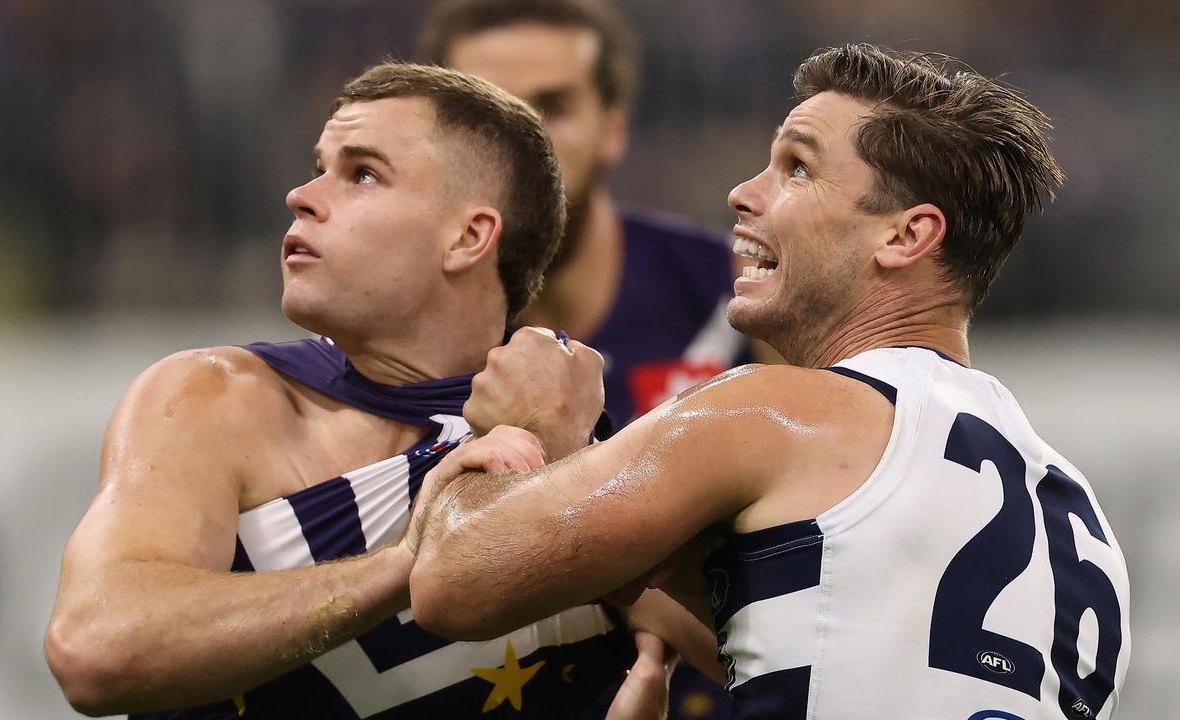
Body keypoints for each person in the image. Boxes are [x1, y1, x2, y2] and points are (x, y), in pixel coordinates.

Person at [408, 45, 1132, 719]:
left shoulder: (773, 409)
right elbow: (827, 653)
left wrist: (528, 432)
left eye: (797, 168)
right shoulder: (1082, 526)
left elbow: (451, 582)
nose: (743, 193)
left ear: (906, 236)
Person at [44, 62, 714, 719]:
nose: (302, 195)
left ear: (468, 236)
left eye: (362, 174)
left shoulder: (586, 458)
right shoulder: (210, 398)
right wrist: (404, 568)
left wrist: (569, 464)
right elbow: (95, 648)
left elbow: (765, 655)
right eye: (318, 166)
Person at [419, 0, 778, 433]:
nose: (522, 141)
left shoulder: (738, 293)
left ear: (613, 129)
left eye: (552, 107)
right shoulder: (400, 331)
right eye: (485, 114)